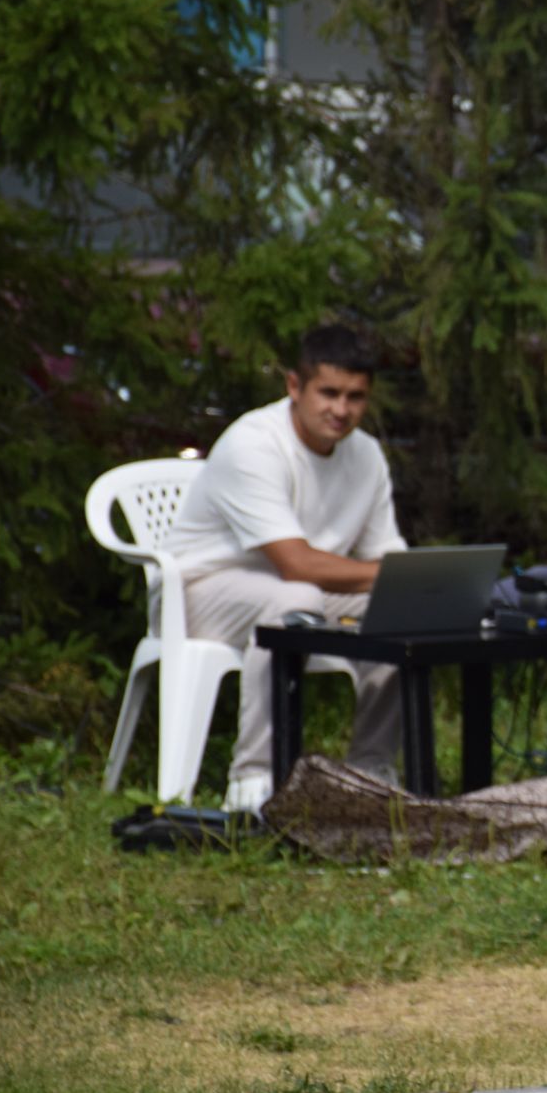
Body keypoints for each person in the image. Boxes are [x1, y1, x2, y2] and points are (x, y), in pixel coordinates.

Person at [163, 323, 407, 815]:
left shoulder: (367, 455)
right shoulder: (253, 443)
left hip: (304, 590)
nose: (341, 410)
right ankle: (254, 780)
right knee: (295, 601)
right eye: (329, 393)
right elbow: (294, 563)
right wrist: (385, 575)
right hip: (201, 589)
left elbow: (387, 556)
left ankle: (371, 774)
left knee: (398, 609)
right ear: (294, 386)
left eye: (355, 397)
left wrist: (403, 586)